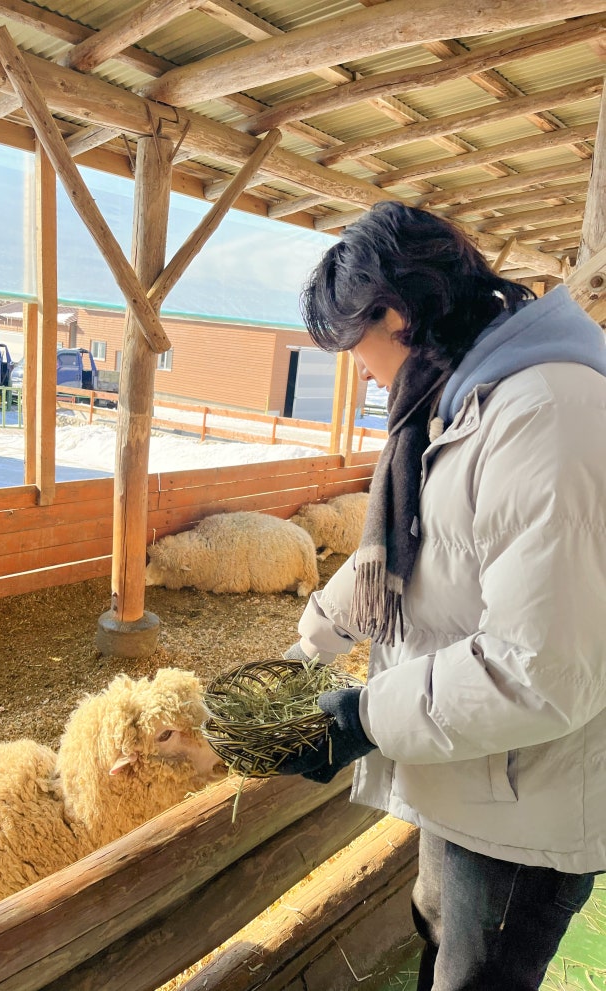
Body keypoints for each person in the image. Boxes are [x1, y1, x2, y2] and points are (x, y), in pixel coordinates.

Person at [279, 201, 606, 990]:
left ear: (392, 312)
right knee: (439, 935)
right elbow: (421, 554)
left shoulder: (545, 412)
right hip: (469, 764)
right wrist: (306, 645)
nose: (353, 366)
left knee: (478, 974)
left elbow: (541, 667)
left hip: (525, 796)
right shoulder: (458, 395)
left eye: (351, 343)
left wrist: (360, 717)